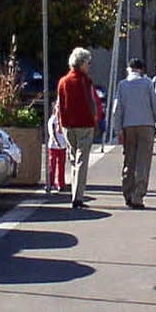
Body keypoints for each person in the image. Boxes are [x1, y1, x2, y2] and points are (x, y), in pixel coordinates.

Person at [54, 47, 103, 207]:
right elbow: (91, 102)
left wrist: (61, 123)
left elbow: (59, 105)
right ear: (81, 63)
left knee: (74, 158)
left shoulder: (63, 81)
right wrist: (95, 119)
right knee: (82, 160)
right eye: (88, 63)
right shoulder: (85, 80)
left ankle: (75, 193)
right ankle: (77, 196)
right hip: (84, 123)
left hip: (68, 125)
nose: (89, 66)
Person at [110, 57, 156, 208]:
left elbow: (116, 108)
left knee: (129, 160)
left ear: (129, 69)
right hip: (146, 125)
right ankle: (138, 195)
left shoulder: (123, 85)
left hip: (128, 126)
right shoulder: (148, 83)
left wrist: (117, 129)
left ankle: (127, 192)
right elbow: (155, 105)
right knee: (143, 162)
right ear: (141, 69)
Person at [45, 114, 69, 192]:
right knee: (52, 165)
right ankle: (51, 183)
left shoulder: (63, 117)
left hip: (63, 146)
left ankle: (61, 184)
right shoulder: (53, 119)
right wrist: (57, 142)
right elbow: (52, 132)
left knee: (61, 166)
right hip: (53, 146)